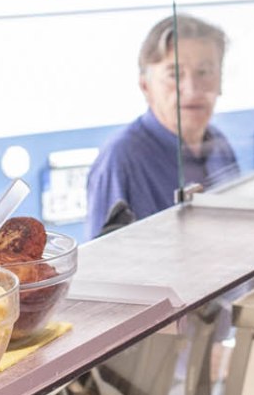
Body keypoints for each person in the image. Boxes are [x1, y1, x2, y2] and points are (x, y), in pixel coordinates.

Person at [85, 14, 242, 234]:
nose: (192, 88)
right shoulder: (121, 159)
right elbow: (102, 261)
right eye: (174, 74)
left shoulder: (218, 144)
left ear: (221, 81)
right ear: (145, 86)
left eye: (204, 72)